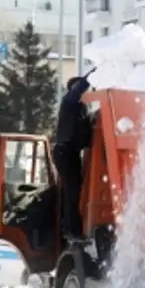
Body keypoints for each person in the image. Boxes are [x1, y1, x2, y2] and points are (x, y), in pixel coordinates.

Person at [53, 75, 93, 243]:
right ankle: (72, 229)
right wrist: (94, 74)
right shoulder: (69, 103)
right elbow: (79, 88)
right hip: (65, 152)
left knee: (73, 189)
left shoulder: (80, 109)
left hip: (71, 153)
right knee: (72, 190)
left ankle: (69, 226)